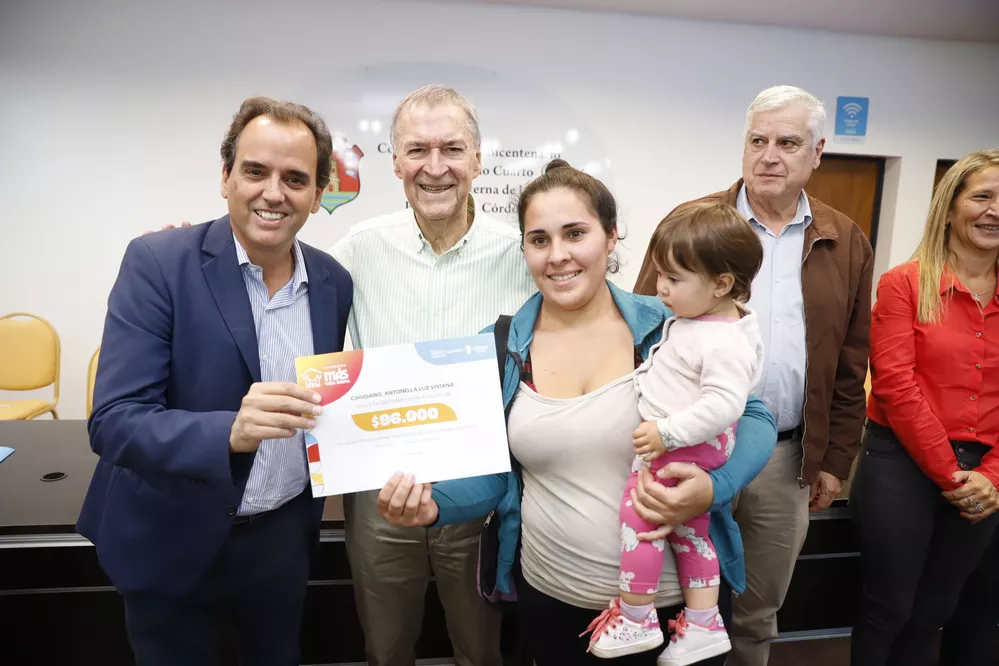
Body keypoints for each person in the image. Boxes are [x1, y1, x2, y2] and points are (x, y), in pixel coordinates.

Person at [377, 159, 777, 666]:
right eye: (539, 239)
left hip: (677, 616)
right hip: (552, 602)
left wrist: (713, 489)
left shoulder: (670, 326)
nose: (558, 255)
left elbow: (755, 417)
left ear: (611, 238)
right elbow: (496, 475)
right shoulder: (501, 349)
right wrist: (433, 506)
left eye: (575, 233)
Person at [77, 97, 353, 665]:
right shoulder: (157, 262)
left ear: (318, 194)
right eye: (256, 171)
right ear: (226, 176)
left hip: (280, 543)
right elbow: (114, 422)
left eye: (296, 178)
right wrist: (230, 430)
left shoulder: (333, 281)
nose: (274, 193)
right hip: (172, 539)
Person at [633, 85, 873, 666]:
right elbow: (643, 325)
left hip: (782, 463)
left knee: (759, 612)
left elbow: (851, 362)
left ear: (817, 153)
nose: (769, 155)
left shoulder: (844, 241)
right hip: (683, 451)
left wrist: (835, 462)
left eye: (788, 143)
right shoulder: (692, 224)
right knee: (673, 598)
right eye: (757, 140)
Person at [330, 85, 537, 666]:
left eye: (452, 149)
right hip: (379, 491)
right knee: (385, 646)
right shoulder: (357, 250)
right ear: (394, 160)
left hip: (482, 492)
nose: (435, 167)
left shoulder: (521, 255)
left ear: (478, 158)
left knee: (482, 648)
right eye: (417, 150)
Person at [585, 201, 764, 665]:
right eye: (661, 274)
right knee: (689, 533)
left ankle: (637, 616)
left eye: (674, 278)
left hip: (683, 446)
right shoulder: (702, 323)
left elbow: (727, 405)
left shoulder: (721, 340)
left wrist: (666, 432)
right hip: (691, 445)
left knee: (640, 519)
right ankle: (705, 624)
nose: (660, 288)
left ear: (722, 283)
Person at [850, 148, 999, 666]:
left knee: (936, 609)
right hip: (901, 464)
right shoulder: (904, 284)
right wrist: (952, 476)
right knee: (888, 607)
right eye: (982, 196)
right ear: (951, 206)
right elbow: (894, 386)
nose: (994, 211)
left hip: (985, 472)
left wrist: (993, 476)